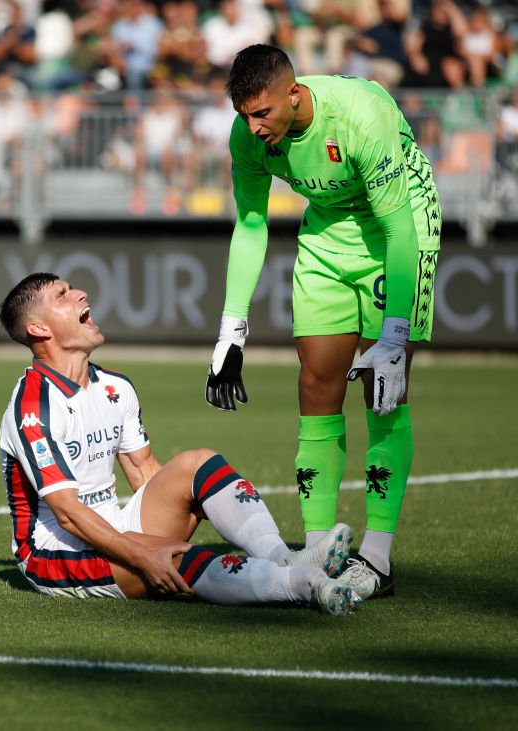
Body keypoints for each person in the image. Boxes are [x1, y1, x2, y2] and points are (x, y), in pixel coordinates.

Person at [205, 44, 441, 599]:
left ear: (293, 94)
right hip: (327, 234)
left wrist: (394, 334)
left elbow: (399, 227)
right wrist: (231, 331)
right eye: (243, 115)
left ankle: (376, 558)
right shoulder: (247, 137)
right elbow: (251, 223)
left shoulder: (359, 115)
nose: (253, 126)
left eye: (262, 113)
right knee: (315, 382)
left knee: (384, 390)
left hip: (398, 229)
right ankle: (318, 550)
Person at [0, 273, 366, 615]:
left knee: (197, 463)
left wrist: (200, 500)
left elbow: (146, 474)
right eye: (62, 295)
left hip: (113, 524)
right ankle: (305, 586)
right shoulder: (33, 407)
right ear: (38, 328)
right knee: (173, 559)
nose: (80, 293)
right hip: (57, 553)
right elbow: (67, 514)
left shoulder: (114, 387)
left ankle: (285, 559)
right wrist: (142, 553)